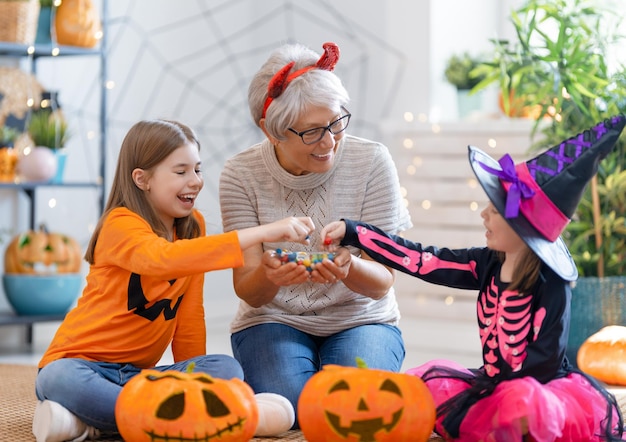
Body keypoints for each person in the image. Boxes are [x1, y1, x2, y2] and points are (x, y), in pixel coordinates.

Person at [321, 115, 626, 441]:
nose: (484, 215)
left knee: (522, 410)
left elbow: (545, 361)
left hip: (540, 391)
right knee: (424, 390)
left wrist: (508, 402)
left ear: (524, 229)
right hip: (493, 383)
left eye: (494, 210)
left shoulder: (551, 283)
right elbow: (425, 260)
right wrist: (356, 232)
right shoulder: (487, 264)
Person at [33, 119, 315, 442]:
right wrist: (263, 233)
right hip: (82, 366)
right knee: (58, 379)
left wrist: (199, 383)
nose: (194, 181)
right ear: (142, 179)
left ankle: (96, 424)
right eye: (180, 172)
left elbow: (189, 315)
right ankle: (208, 418)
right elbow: (162, 259)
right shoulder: (120, 224)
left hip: (139, 379)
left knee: (224, 369)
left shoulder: (193, 225)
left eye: (197, 169)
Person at [219, 41, 411, 427]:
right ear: (271, 131)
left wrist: (348, 269)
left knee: (352, 412)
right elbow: (248, 290)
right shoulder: (240, 175)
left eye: (336, 122)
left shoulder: (372, 161)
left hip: (363, 319)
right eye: (311, 132)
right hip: (272, 320)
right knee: (290, 409)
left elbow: (383, 282)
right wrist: (270, 277)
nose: (329, 142)